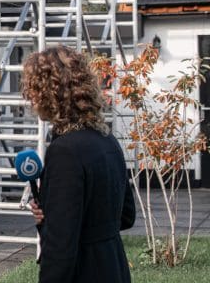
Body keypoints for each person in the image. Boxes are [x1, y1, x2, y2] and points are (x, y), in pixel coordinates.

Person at [22, 45, 135, 283]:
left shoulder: (64, 152)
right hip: (114, 268)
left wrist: (56, 223)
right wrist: (50, 217)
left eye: (33, 90)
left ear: (50, 93)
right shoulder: (107, 139)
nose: (30, 99)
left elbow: (60, 248)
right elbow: (126, 216)